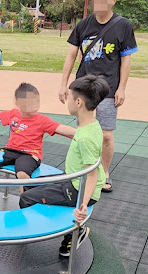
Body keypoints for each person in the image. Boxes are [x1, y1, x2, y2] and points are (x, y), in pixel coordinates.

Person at [58, 0, 137, 193]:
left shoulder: (123, 25)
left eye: (104, 0)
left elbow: (126, 60)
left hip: (108, 89)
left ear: (113, 1)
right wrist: (64, 84)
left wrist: (122, 88)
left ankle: (104, 172)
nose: (99, 5)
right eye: (96, 0)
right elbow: (71, 55)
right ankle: (82, 169)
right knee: (84, 131)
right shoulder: (83, 25)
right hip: (84, 87)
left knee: (107, 135)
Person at [21, 75, 109, 257]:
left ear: (78, 102)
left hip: (78, 189)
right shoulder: (90, 124)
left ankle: (72, 233)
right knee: (29, 184)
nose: (66, 100)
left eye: (69, 97)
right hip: (73, 178)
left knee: (26, 199)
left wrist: (82, 206)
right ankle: (64, 223)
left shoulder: (85, 137)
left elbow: (91, 175)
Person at [0, 83, 76, 188]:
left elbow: (60, 128)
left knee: (22, 174)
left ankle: (27, 201)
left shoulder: (42, 120)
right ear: (18, 103)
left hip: (29, 155)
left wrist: (79, 132)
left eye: (37, 101)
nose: (35, 105)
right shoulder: (13, 114)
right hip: (10, 150)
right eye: (31, 103)